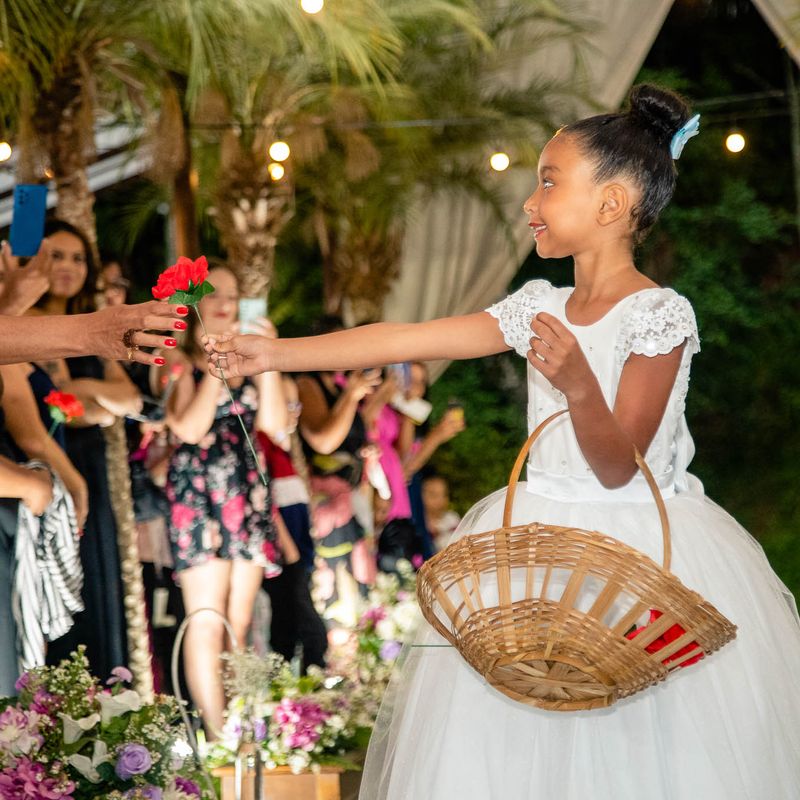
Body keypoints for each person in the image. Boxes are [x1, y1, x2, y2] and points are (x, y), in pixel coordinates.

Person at [206, 84, 800, 798]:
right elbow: (404, 338)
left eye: (549, 182)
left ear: (611, 204)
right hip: (535, 554)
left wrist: (579, 385)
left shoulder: (659, 315)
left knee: (633, 752)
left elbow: (620, 469)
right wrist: (272, 354)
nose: (530, 202)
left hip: (638, 560)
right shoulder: (538, 306)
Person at [164, 266, 289, 737]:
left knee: (240, 618)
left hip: (247, 494)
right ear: (196, 302)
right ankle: (216, 736)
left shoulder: (250, 360)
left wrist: (269, 357)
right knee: (206, 619)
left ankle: (242, 732)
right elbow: (188, 428)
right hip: (198, 496)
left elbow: (274, 426)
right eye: (213, 293)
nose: (224, 303)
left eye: (234, 295)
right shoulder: (181, 363)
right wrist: (215, 369)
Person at [27, 219, 143, 680]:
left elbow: (130, 398)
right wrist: (101, 406)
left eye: (78, 258)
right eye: (56, 255)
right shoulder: (28, 324)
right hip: (54, 461)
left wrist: (90, 396)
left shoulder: (92, 325)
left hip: (94, 464)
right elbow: (64, 406)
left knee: (100, 577)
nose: (68, 267)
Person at [420, 474, 460, 553]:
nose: (440, 500)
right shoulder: (419, 523)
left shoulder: (452, 519)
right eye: (434, 495)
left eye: (444, 495)